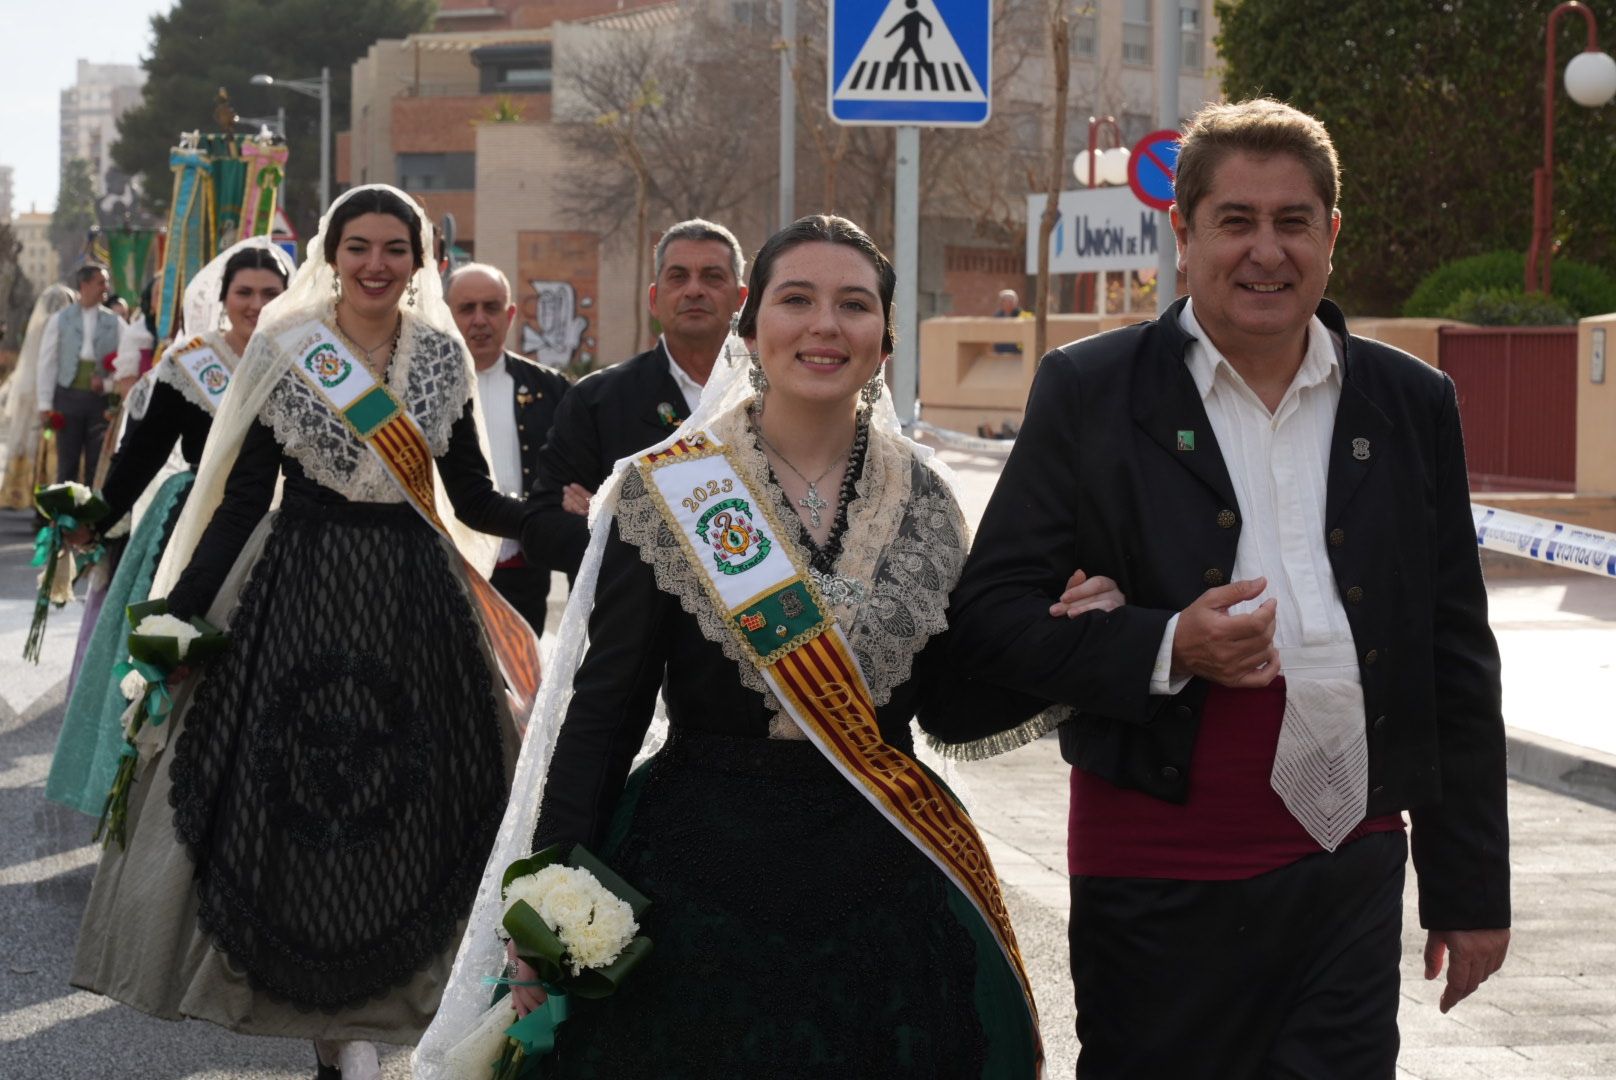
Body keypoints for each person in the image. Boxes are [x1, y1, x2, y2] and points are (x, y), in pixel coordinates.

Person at [416, 214, 1125, 1078]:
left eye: (854, 306)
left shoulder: (927, 501)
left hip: (884, 877)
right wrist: (548, 904)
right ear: (751, 328)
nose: (826, 326)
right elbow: (602, 718)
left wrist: (1065, 643)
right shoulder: (668, 487)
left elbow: (944, 704)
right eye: (798, 299)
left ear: (884, 341)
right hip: (694, 880)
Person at [947, 98, 1510, 1077]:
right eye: (1234, 222)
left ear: (1329, 236)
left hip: (1350, 857)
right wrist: (1166, 647)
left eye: (1291, 221)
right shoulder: (1089, 390)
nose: (1265, 252)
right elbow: (989, 619)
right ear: (1182, 233)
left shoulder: (1410, 403)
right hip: (1155, 861)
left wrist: (1467, 892)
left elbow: (1452, 652)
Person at [71, 185, 534, 1080]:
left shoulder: (440, 357)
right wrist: (185, 609)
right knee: (295, 804)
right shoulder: (292, 348)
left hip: (412, 600)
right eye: (358, 246)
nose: (375, 264)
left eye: (395, 249)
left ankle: (374, 1014)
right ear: (331, 252)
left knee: (412, 806)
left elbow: (470, 497)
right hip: (299, 590)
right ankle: (332, 1028)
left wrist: (573, 523)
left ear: (417, 260)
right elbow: (244, 497)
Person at [46, 239, 292, 818]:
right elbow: (143, 453)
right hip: (194, 527)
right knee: (182, 662)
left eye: (270, 294)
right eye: (245, 293)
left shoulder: (305, 360)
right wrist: (96, 519)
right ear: (222, 299)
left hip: (284, 530)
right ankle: (157, 800)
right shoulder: (192, 365)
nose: (256, 304)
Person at [519, 218, 747, 578]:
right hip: (638, 630)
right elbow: (541, 532)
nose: (694, 290)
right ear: (655, 300)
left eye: (713, 277)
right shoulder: (597, 401)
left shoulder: (772, 394)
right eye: (678, 276)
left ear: (741, 299)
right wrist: (653, 542)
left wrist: (611, 516)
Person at [448, 262, 572, 632]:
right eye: (467, 309)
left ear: (511, 314)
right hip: (449, 565)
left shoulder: (551, 388)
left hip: (523, 567)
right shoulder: (426, 386)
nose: (480, 320)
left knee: (520, 679)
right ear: (447, 314)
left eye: (491, 307)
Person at [36, 264, 119, 483]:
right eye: (101, 282)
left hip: (98, 402)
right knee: (67, 462)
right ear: (85, 285)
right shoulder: (60, 319)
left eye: (106, 283)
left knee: (96, 463)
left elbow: (126, 361)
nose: (106, 288)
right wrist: (45, 404)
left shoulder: (115, 322)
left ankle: (89, 515)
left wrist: (108, 384)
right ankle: (64, 515)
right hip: (67, 398)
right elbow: (47, 362)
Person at [0, 284, 77, 508]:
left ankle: (21, 491)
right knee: (49, 447)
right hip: (51, 393)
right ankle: (44, 496)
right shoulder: (62, 325)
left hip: (32, 392)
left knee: (33, 444)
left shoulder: (39, 326)